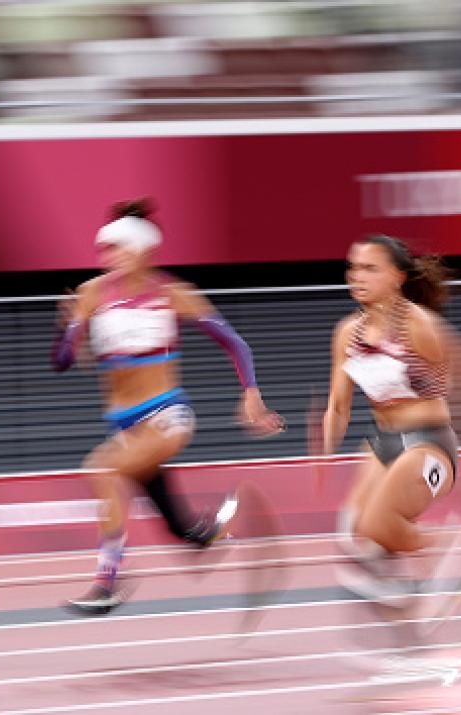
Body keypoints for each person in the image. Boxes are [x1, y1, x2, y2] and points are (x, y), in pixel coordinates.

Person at [52, 198, 283, 615]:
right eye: (106, 250)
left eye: (119, 249)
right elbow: (62, 363)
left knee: (101, 470)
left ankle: (107, 581)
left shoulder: (173, 294)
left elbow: (235, 343)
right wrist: (67, 331)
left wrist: (250, 393)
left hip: (166, 415)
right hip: (124, 426)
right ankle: (213, 527)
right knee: (176, 522)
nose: (109, 258)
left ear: (143, 251)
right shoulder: (89, 295)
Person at [320, 234, 461, 607]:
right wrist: (324, 454)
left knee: (377, 526)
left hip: (428, 441)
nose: (356, 276)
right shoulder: (347, 333)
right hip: (383, 443)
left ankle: (448, 544)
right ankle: (403, 586)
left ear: (397, 276)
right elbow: (338, 405)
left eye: (369, 268)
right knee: (353, 536)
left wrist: (403, 371)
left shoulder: (419, 325)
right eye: (352, 268)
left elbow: (447, 380)